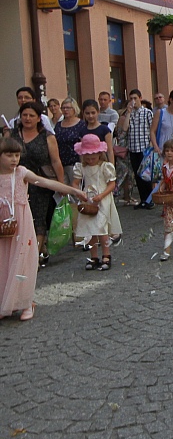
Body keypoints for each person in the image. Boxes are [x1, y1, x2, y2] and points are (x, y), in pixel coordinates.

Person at [0, 137, 88, 321]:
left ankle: (26, 302)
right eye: (9, 155)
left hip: (22, 225)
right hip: (3, 225)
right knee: (4, 262)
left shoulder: (22, 173)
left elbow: (46, 182)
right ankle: (6, 302)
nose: (14, 159)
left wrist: (73, 191)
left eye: (16, 155)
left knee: (22, 261)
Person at [12, 102, 65, 268]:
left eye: (31, 115)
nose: (27, 118)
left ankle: (33, 259)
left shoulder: (47, 136)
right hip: (17, 183)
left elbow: (56, 161)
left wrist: (60, 184)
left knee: (38, 220)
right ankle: (40, 250)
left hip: (40, 183)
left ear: (38, 118)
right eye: (24, 115)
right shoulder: (13, 135)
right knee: (21, 220)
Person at [71, 134, 122, 271]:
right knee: (90, 229)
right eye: (87, 158)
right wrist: (80, 193)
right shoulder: (81, 167)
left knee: (101, 228)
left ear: (99, 154)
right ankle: (93, 256)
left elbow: (112, 184)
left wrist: (102, 195)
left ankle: (106, 254)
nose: (90, 160)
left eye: (93, 157)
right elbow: (75, 183)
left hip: (102, 199)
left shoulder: (105, 167)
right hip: (88, 199)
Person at [121, 90, 155, 209]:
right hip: (133, 148)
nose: (133, 101)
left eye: (135, 98)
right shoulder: (129, 114)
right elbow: (125, 129)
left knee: (145, 175)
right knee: (137, 175)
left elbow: (152, 129)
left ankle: (149, 200)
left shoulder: (147, 113)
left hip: (144, 147)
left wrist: (152, 145)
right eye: (131, 98)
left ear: (140, 98)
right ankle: (143, 199)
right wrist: (129, 113)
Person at [53, 98, 87, 185]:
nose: (65, 110)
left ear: (74, 109)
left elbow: (84, 145)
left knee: (75, 191)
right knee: (62, 191)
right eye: (63, 108)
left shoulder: (81, 124)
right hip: (60, 163)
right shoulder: (58, 125)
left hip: (75, 163)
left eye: (68, 108)